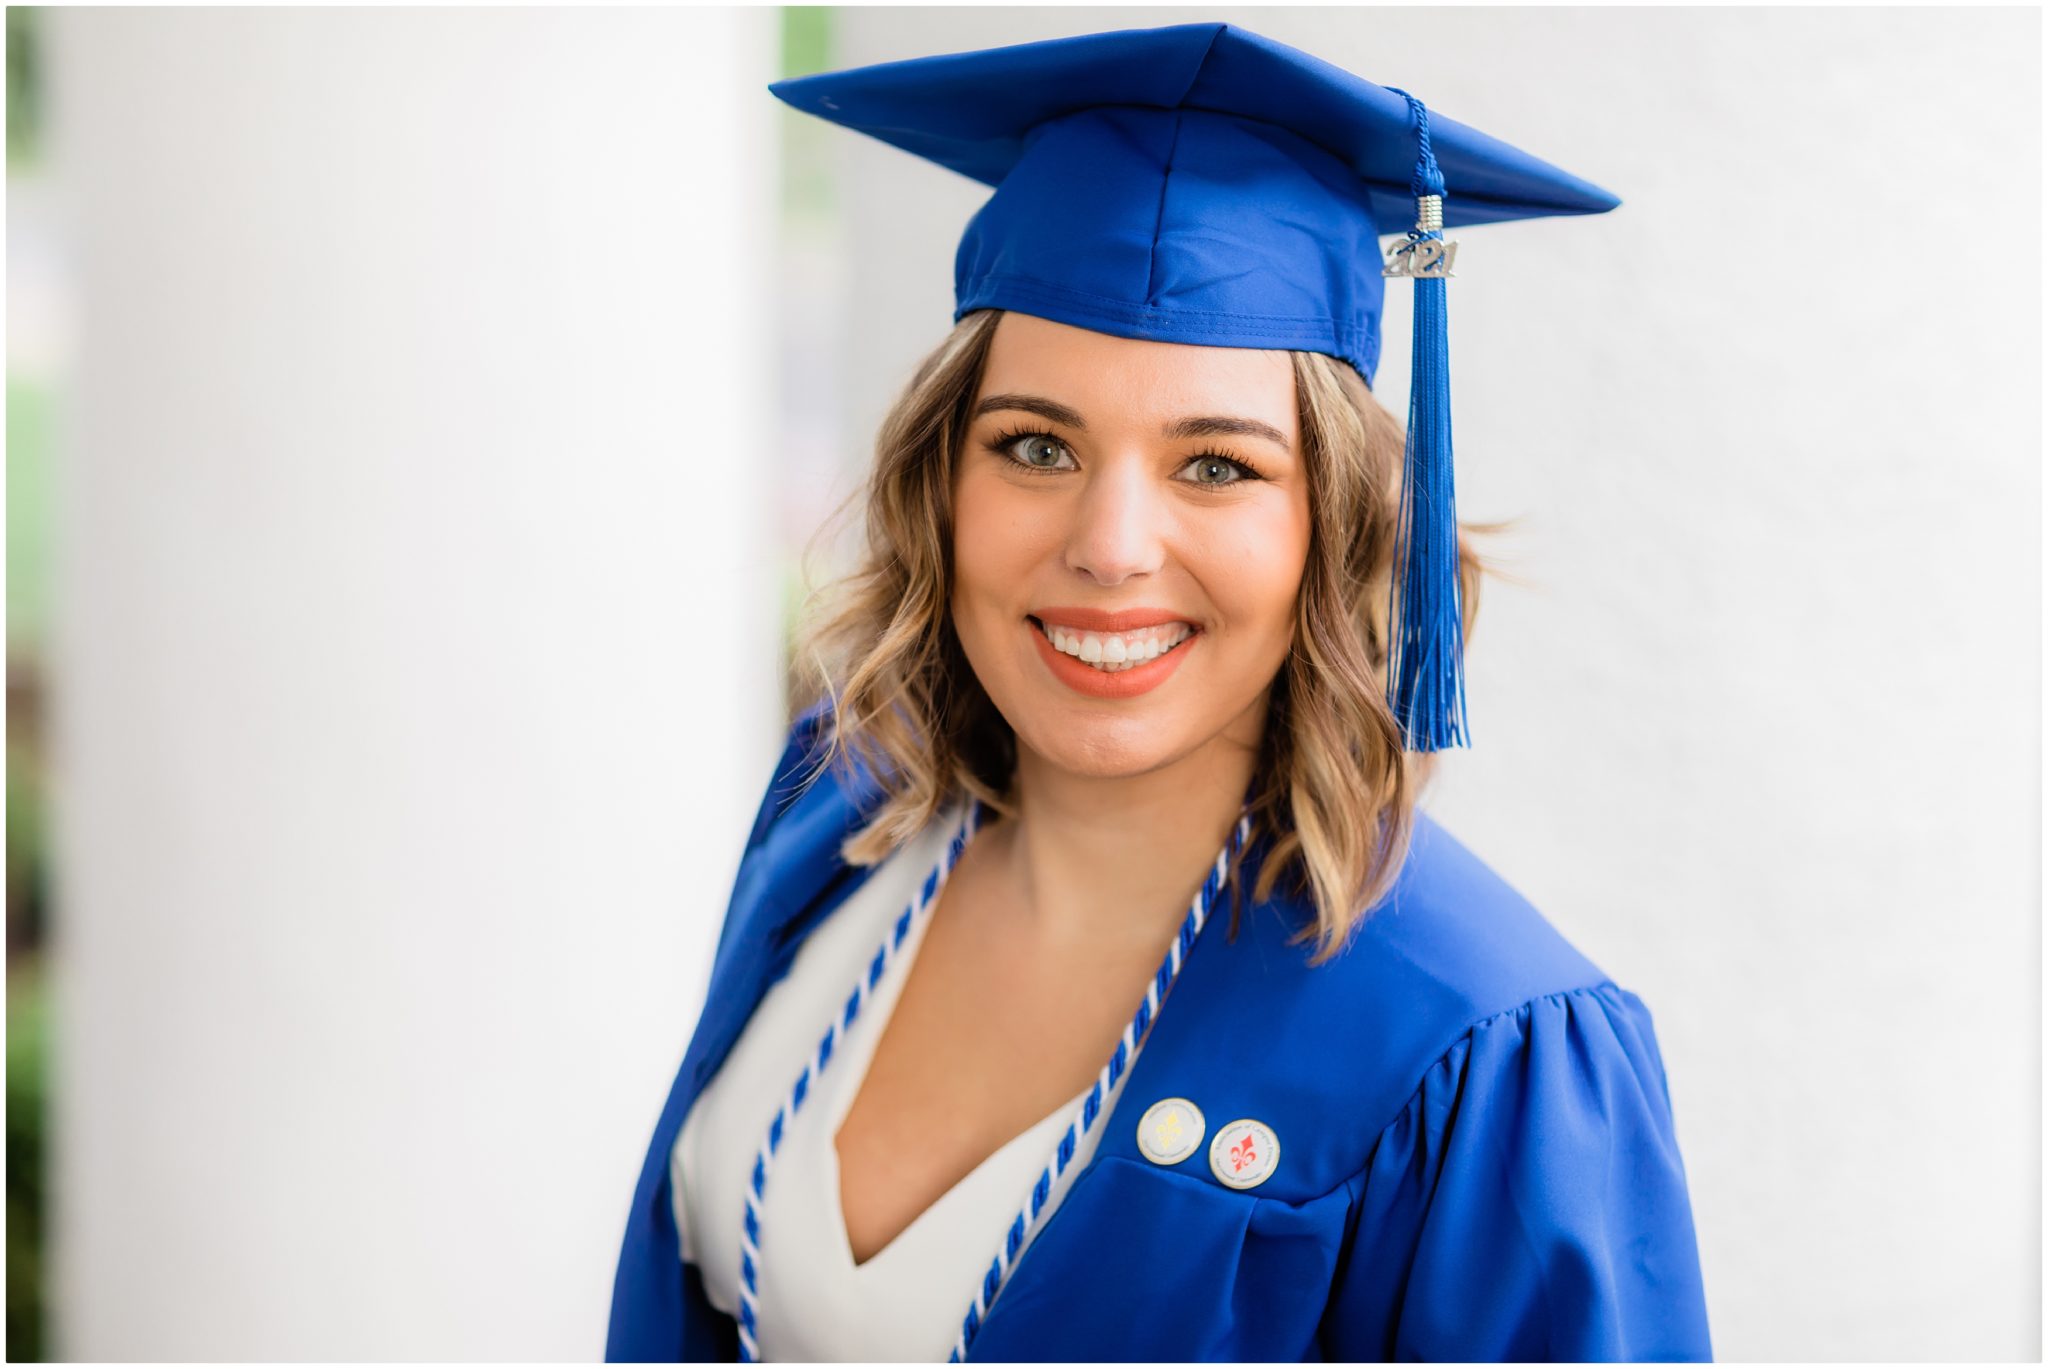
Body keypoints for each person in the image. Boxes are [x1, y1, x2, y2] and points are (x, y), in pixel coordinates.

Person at [606, 21, 1712, 1363]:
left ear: (1341, 524)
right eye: (1035, 445)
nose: (1110, 543)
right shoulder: (838, 813)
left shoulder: (1486, 1051)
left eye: (1217, 467)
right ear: (942, 478)